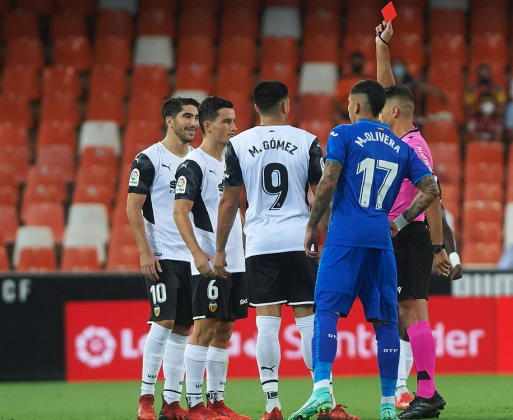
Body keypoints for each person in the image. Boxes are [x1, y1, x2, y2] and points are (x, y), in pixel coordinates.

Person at [288, 79, 441, 420]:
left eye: (348, 102)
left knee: (326, 311)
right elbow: (431, 188)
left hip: (344, 237)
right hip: (381, 240)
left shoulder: (343, 134)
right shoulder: (401, 147)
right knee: (386, 322)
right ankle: (388, 404)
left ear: (356, 106)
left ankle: (321, 389)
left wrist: (313, 226)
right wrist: (401, 222)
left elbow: (328, 181)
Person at [214, 81, 359, 420]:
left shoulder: (237, 144)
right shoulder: (306, 140)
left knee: (266, 324)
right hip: (298, 238)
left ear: (255, 109)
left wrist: (220, 251)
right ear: (286, 105)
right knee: (309, 320)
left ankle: (271, 407)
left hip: (260, 242)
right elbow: (321, 189)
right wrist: (320, 230)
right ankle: (325, 401)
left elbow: (229, 200)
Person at [375, 20, 451, 419]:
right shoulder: (398, 138)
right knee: (409, 314)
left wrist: (431, 243)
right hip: (405, 238)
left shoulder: (414, 146)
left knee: (412, 313)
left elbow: (431, 194)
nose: (377, 111)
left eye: (383, 109)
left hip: (407, 237)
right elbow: (388, 88)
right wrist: (381, 45)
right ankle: (424, 393)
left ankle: (427, 393)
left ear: (395, 112)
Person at [172, 96, 250, 420]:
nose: (234, 127)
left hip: (235, 259)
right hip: (207, 262)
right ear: (207, 126)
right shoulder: (193, 164)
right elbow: (179, 213)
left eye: (234, 121)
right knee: (204, 329)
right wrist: (197, 254)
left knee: (225, 329)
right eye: (226, 121)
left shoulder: (231, 163)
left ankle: (216, 401)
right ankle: (194, 405)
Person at [128, 97, 199, 420]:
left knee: (184, 327)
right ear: (169, 121)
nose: (194, 123)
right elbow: (133, 206)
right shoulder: (148, 159)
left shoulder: (198, 160)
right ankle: (145, 399)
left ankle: (171, 402)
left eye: (197, 117)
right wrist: (144, 250)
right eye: (186, 116)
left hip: (192, 257)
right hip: (162, 254)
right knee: (164, 320)